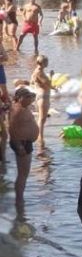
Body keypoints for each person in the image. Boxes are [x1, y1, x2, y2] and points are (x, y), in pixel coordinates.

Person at [8, 87, 38, 215]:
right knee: (22, 175)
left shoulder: (24, 108)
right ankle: (19, 201)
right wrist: (18, 146)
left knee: (24, 175)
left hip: (25, 142)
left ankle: (20, 199)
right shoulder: (17, 109)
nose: (30, 99)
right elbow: (11, 128)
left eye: (31, 97)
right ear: (20, 97)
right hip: (21, 143)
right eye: (27, 97)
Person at [30, 54, 51, 142]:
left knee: (41, 119)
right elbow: (48, 85)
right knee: (42, 119)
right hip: (44, 97)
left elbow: (32, 82)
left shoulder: (36, 71)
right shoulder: (40, 72)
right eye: (47, 62)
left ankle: (39, 137)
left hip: (40, 96)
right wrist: (51, 76)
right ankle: (40, 138)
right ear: (43, 63)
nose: (48, 63)